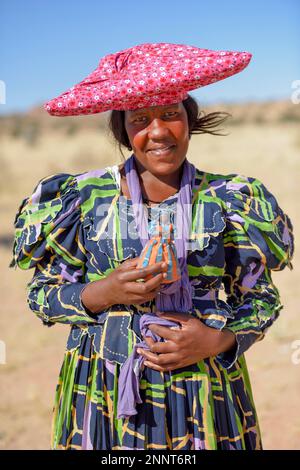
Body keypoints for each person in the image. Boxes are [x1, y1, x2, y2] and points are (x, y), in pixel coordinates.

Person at [11, 43, 294, 450]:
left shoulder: (230, 199)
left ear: (189, 119)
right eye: (140, 119)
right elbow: (41, 296)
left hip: (205, 398)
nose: (158, 131)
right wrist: (103, 292)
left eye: (170, 114)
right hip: (103, 395)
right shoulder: (81, 199)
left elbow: (263, 300)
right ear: (121, 130)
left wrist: (217, 339)